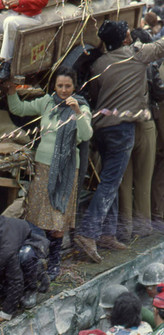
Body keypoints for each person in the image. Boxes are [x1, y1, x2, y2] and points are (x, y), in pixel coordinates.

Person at [75, 20, 164, 264]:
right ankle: (88, 232)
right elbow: (161, 46)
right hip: (122, 130)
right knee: (110, 184)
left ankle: (107, 234)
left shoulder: (99, 64)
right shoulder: (136, 55)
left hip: (101, 129)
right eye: (127, 34)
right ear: (125, 39)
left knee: (110, 181)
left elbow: (94, 96)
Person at [6, 66, 93, 279]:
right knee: (37, 215)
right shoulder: (47, 102)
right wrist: (11, 91)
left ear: (74, 86)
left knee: (57, 218)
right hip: (43, 168)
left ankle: (54, 263)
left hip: (66, 171)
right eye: (60, 85)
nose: (63, 90)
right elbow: (19, 109)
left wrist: (78, 113)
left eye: (68, 86)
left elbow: (86, 135)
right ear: (54, 86)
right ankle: (36, 261)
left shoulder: (81, 107)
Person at [0, 188, 49, 322]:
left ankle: (33, 285)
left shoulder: (6, 251)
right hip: (10, 235)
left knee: (25, 256)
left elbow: (16, 282)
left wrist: (3, 315)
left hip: (32, 236)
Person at [117, 28, 160, 242]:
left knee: (125, 180)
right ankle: (142, 226)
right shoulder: (144, 60)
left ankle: (124, 228)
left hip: (121, 123)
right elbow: (159, 91)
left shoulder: (110, 62)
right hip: (144, 122)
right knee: (144, 179)